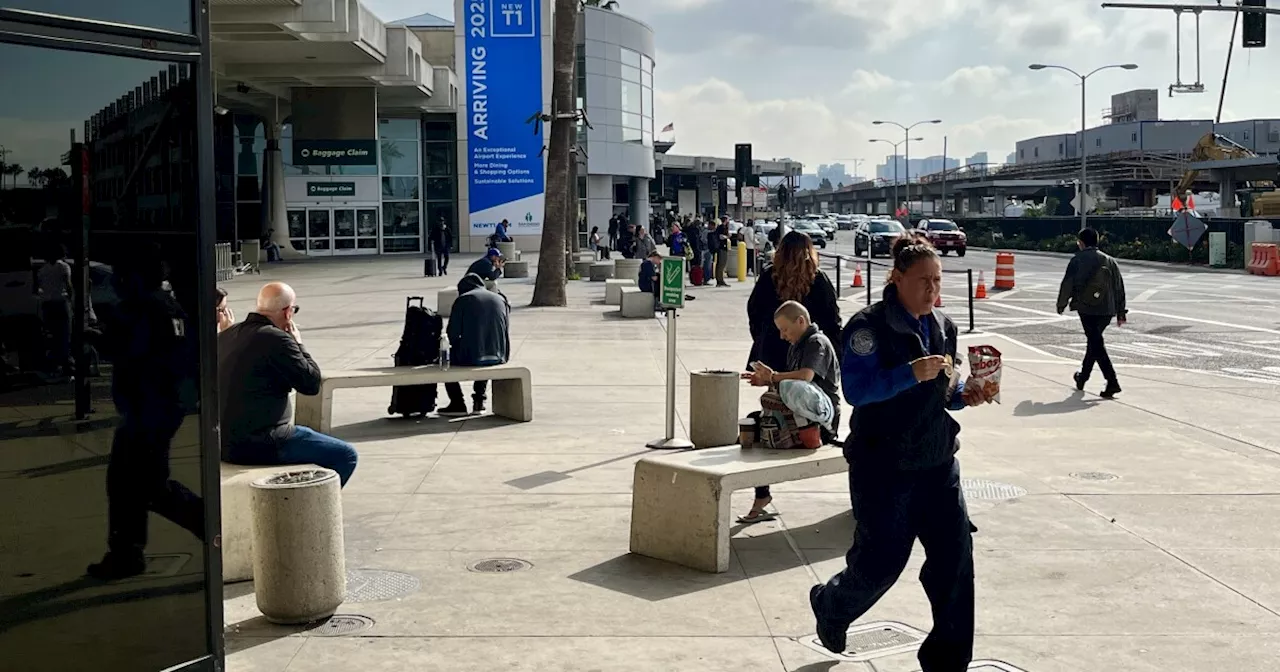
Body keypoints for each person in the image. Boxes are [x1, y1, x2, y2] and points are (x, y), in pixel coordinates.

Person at [808, 237, 994, 670]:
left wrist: (970, 394)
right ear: (897, 279)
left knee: (955, 565)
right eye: (923, 281)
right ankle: (832, 605)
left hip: (937, 463)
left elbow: (944, 392)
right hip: (883, 466)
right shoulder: (867, 328)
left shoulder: (943, 326)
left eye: (938, 281)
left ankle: (947, 664)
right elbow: (856, 390)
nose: (933, 291)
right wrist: (907, 373)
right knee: (881, 563)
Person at [87, 249, 204, 580]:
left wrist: (95, 337)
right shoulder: (168, 306)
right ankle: (129, 553)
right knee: (143, 484)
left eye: (121, 278)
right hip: (164, 406)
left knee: (132, 484)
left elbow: (128, 351)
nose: (117, 285)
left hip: (147, 409)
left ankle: (209, 525)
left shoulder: (141, 309)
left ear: (134, 278)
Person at [742, 231, 842, 522]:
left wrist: (765, 341)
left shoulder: (768, 277)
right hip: (801, 367)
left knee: (762, 418)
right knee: (768, 418)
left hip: (782, 362)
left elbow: (753, 313)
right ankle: (762, 493)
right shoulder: (818, 279)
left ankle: (762, 494)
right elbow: (834, 321)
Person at [218, 282, 359, 486]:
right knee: (345, 455)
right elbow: (311, 384)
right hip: (262, 441)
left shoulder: (227, 335)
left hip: (223, 442)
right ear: (287, 312)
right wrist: (299, 343)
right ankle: (313, 514)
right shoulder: (277, 339)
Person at [1057, 227, 1127, 398]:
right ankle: (1082, 377)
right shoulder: (1110, 261)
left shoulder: (1077, 260)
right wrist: (1120, 312)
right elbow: (1119, 287)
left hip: (1086, 308)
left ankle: (1112, 381)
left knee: (1096, 343)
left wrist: (1062, 304)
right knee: (1094, 342)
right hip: (1107, 309)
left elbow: (1068, 283)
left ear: (1081, 243)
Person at [438, 272, 511, 416]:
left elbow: (452, 333)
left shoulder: (463, 300)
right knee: (484, 351)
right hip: (500, 355)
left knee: (444, 359)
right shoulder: (500, 299)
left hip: (472, 356)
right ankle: (479, 401)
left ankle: (457, 403)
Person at [36, 243, 73, 375]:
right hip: (60, 302)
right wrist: (72, 300)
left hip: (47, 304)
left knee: (51, 334)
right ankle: (65, 363)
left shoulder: (42, 270)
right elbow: (68, 285)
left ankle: (53, 363)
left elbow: (39, 288)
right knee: (64, 333)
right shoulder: (63, 267)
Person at [714, 216, 731, 287]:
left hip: (723, 247)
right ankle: (720, 280)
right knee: (721, 264)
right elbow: (720, 236)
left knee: (721, 264)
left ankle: (720, 280)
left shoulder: (723, 227)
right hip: (722, 247)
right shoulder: (722, 227)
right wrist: (727, 236)